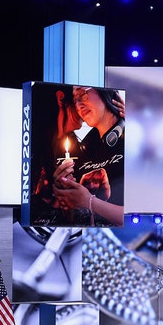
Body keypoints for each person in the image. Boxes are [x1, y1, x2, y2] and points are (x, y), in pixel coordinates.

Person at [52, 86, 125, 226]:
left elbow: (143, 216)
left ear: (106, 92)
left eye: (82, 93)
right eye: (74, 101)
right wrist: (65, 192)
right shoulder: (85, 149)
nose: (79, 105)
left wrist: (90, 202)